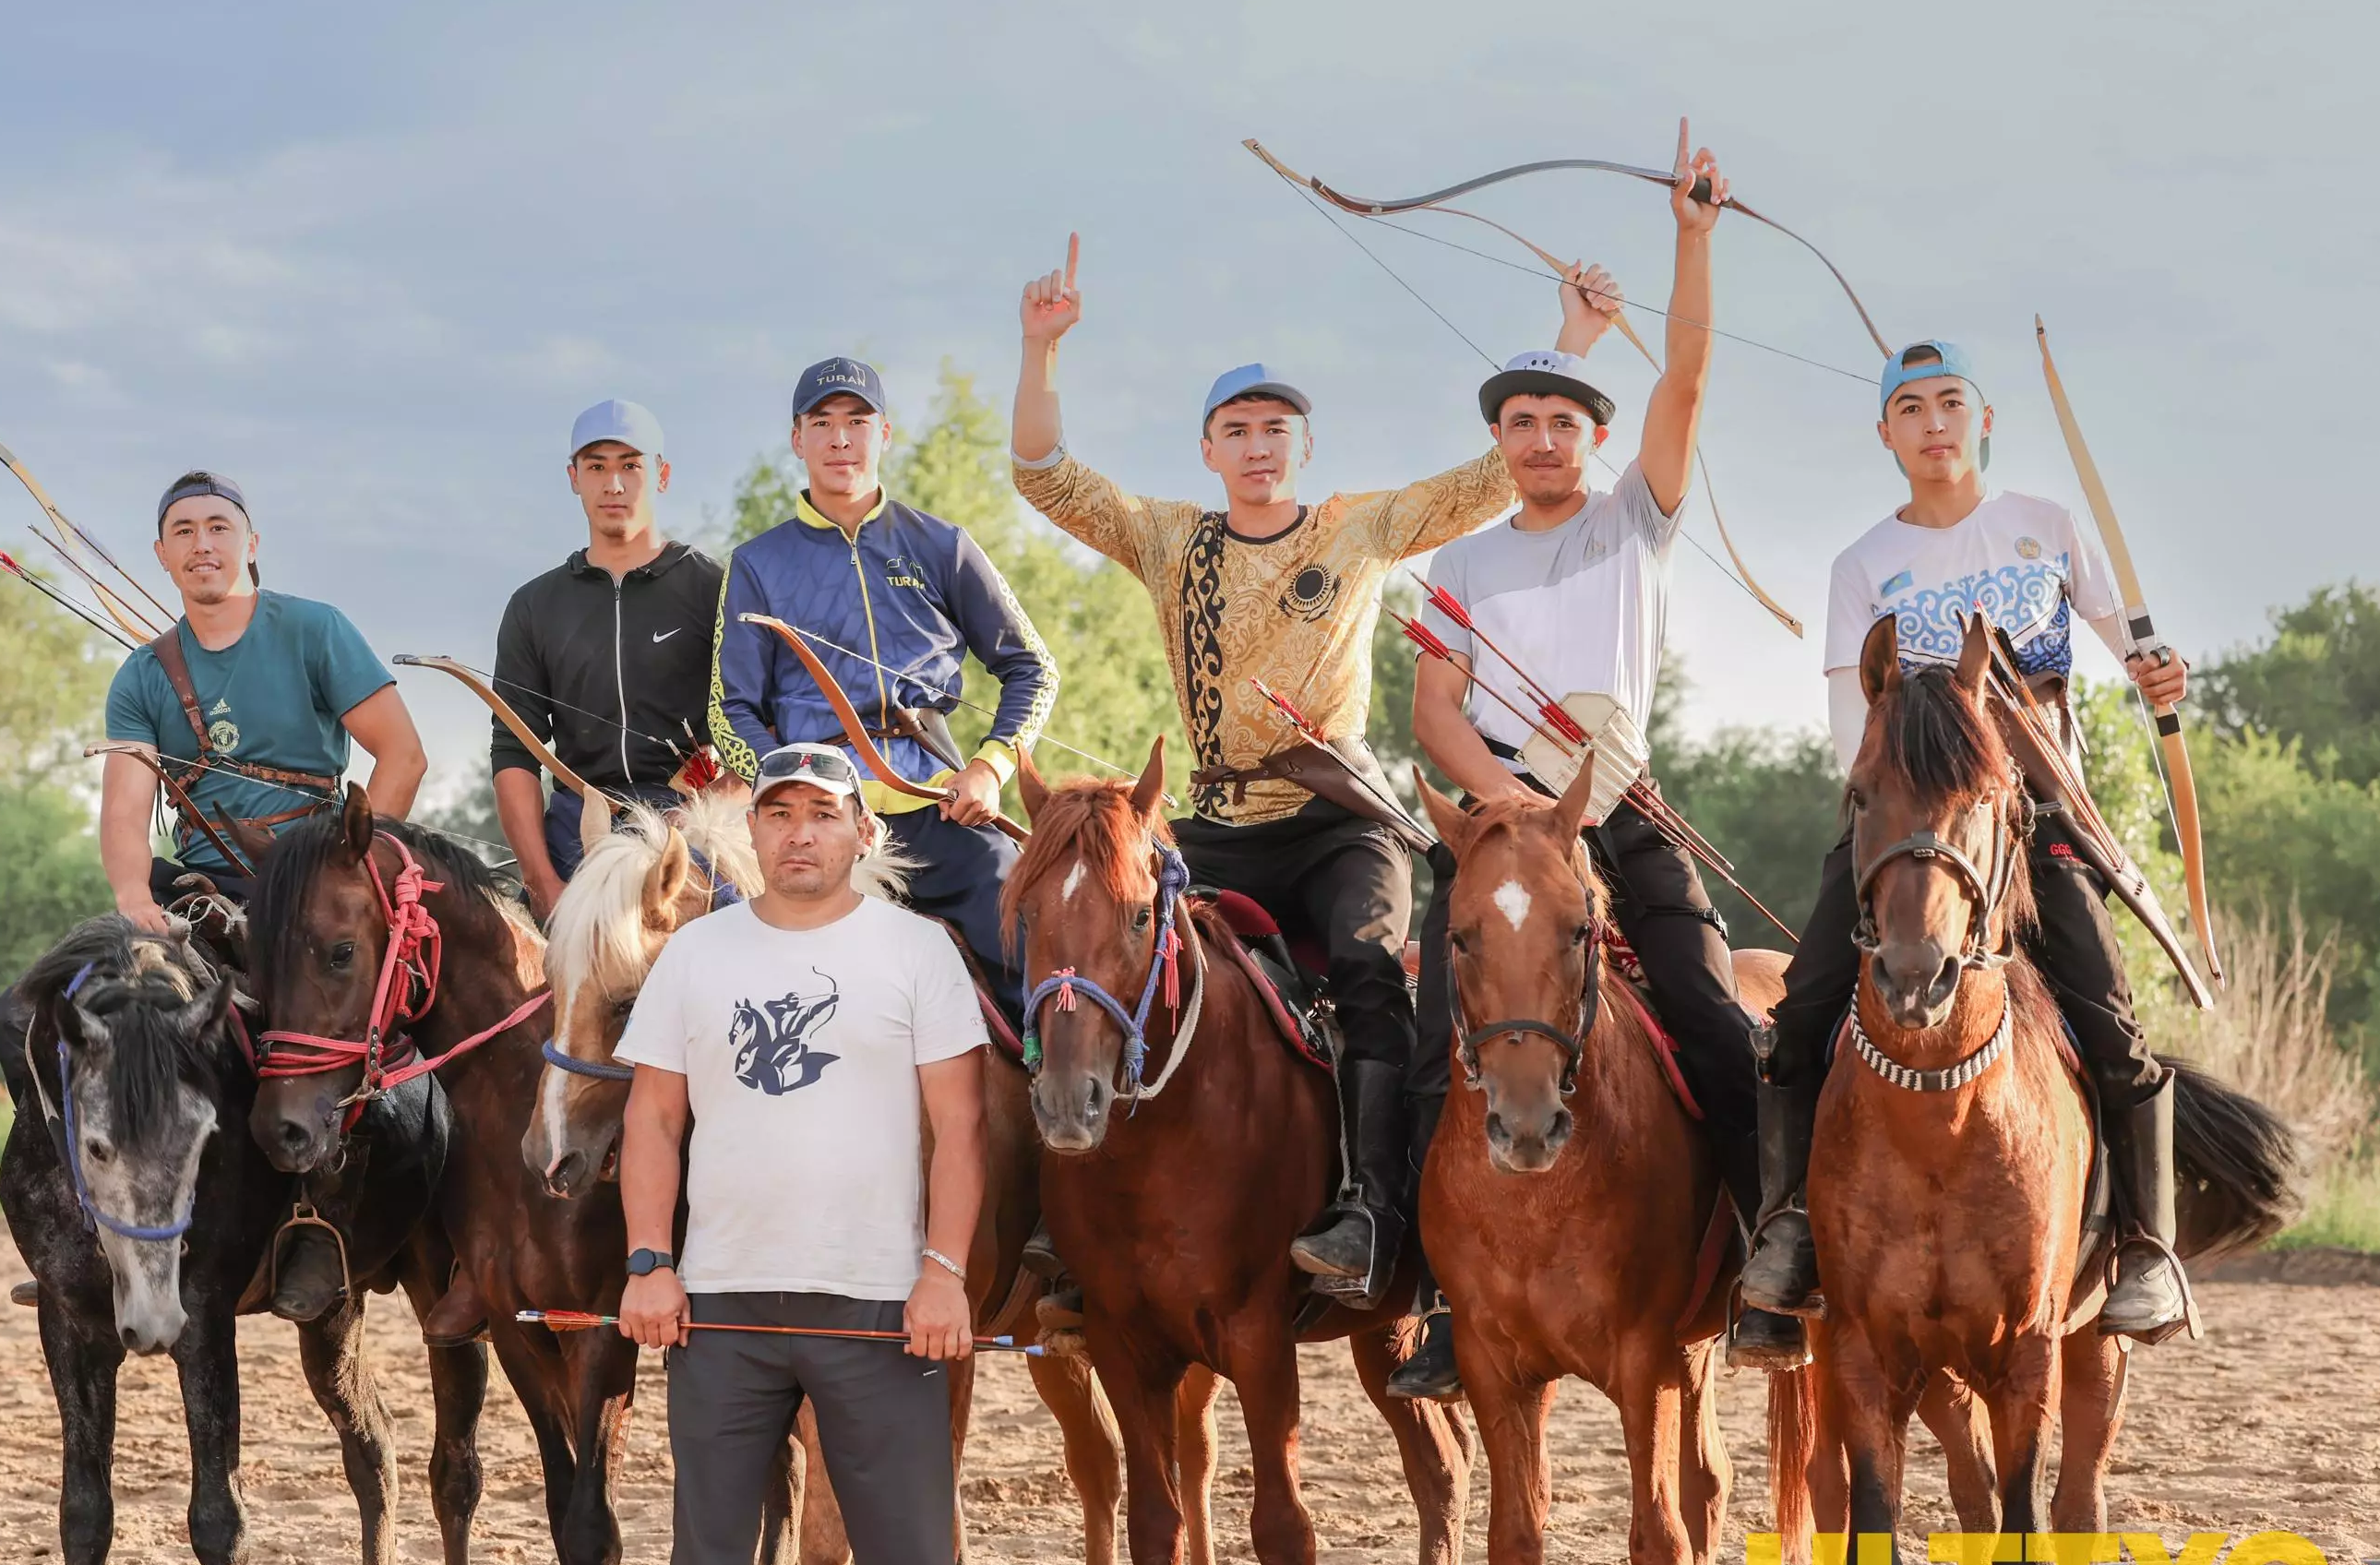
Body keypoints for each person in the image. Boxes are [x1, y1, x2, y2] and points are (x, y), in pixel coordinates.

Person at [1010, 249, 1532, 1308]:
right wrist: (1039, 348)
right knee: (1102, 947)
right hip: (1214, 823)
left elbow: (1492, 477)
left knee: (1370, 965)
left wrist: (1562, 352)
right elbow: (1042, 474)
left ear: (1303, 446)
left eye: (1274, 429)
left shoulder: (1358, 526)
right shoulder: (1167, 539)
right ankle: (1080, 1227)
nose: (1257, 446)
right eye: (1237, 430)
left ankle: (1374, 1217)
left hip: (1342, 822)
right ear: (1207, 449)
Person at [1732, 339, 2199, 1363]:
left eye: (1950, 401)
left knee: (2109, 1022)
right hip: (1905, 821)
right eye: (1910, 406)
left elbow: (2129, 640)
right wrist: (1892, 803)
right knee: (1803, 1007)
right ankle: (1787, 1235)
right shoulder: (1860, 563)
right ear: (1885, 433)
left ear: (1980, 419)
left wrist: (2154, 667)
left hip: (2034, 816)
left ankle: (2146, 1248)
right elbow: (1843, 717)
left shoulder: (2042, 527)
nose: (1932, 420)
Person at [1388, 135, 1756, 1401]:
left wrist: (1691, 243)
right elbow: (1434, 702)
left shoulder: (1630, 524)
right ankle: (1435, 1297)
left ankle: (1769, 1263)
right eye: (1520, 421)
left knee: (1713, 1014)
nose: (1542, 436)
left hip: (1620, 815)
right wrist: (1489, 795)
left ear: (1594, 437)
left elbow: (1690, 381)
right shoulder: (1460, 566)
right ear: (1499, 440)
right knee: (1428, 1026)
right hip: (1495, 829)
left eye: (1561, 419)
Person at [616, 739, 987, 1565]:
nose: (798, 833)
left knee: (913, 1554)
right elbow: (651, 1118)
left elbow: (960, 1130)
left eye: (820, 813)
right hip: (722, 1299)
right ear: (755, 832)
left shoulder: (916, 952)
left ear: (860, 831)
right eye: (777, 814)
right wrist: (647, 1257)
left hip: (879, 1300)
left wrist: (946, 1271)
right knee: (710, 1544)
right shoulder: (696, 955)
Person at [711, 359, 1054, 1024]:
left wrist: (989, 768)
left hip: (941, 810)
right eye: (823, 423)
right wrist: (798, 793)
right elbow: (731, 711)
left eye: (857, 421)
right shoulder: (756, 564)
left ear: (885, 432)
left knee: (1039, 951)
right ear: (798, 440)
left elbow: (1033, 669)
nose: (842, 439)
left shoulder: (943, 544)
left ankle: (1054, 1107)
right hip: (819, 826)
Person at [100, 470, 426, 933]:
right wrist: (133, 897)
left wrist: (348, 865)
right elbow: (124, 813)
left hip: (316, 877)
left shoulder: (316, 629)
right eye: (184, 531)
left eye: (218, 527)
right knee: (52, 996)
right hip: (199, 896)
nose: (202, 544)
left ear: (251, 545)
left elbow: (404, 756)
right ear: (163, 555)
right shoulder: (141, 674)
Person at [490, 399, 724, 915]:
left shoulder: (717, 588)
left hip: (693, 825)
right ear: (573, 477)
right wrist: (542, 882)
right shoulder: (535, 605)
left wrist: (719, 814)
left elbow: (754, 725)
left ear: (661, 475)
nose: (613, 485)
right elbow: (514, 752)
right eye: (596, 467)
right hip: (578, 825)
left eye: (630, 466)